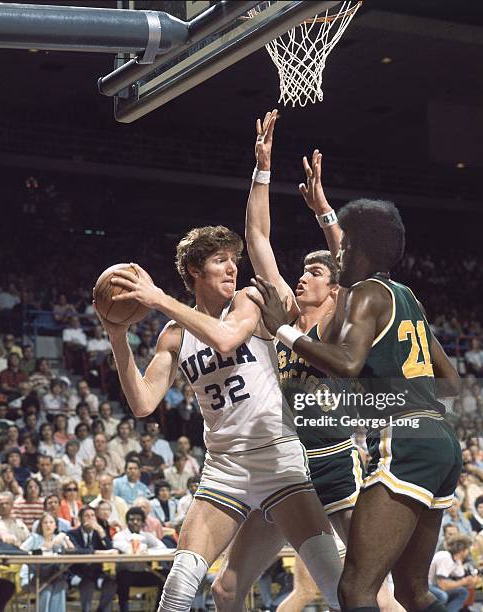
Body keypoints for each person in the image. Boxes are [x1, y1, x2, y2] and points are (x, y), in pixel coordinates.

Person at [101, 222, 344, 609]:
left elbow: (227, 338)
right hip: (224, 467)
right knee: (183, 587)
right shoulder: (174, 335)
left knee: (337, 588)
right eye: (220, 261)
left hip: (277, 457)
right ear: (195, 271)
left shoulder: (248, 299)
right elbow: (143, 403)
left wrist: (159, 298)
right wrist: (117, 337)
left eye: (234, 260)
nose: (232, 268)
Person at [250, 196, 462, 610]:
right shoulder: (407, 297)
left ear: (361, 251)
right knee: (412, 592)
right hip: (440, 442)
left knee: (355, 589)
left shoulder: (366, 293)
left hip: (403, 441)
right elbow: (450, 381)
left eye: (343, 248)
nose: (339, 254)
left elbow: (348, 364)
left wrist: (285, 332)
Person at [113, 506, 167, 612]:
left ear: (142, 522)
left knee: (167, 575)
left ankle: (158, 609)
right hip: (125, 573)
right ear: (127, 521)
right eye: (132, 519)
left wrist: (149, 550)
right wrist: (142, 547)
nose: (135, 522)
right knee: (123, 577)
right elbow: (126, 549)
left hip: (142, 572)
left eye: (138, 520)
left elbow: (162, 547)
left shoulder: (146, 535)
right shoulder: (119, 536)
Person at [67, 506, 117, 612]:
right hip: (78, 573)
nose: (90, 518)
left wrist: (101, 530)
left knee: (112, 583)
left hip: (97, 573)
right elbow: (76, 551)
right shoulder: (72, 534)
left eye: (93, 516)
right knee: (87, 584)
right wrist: (96, 552)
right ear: (80, 519)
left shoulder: (99, 533)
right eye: (87, 516)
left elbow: (110, 550)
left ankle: (101, 610)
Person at [20, 512, 73, 612]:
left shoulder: (58, 538)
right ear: (41, 525)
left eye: (51, 522)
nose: (48, 525)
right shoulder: (34, 538)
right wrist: (34, 553)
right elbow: (21, 551)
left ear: (55, 525)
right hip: (37, 576)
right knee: (46, 588)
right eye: (45, 523)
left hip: (56, 574)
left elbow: (72, 551)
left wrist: (64, 536)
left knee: (60, 585)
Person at [428, 534, 476, 611]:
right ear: (463, 550)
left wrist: (469, 580)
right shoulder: (445, 557)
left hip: (436, 586)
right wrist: (464, 582)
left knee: (463, 592)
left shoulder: (455, 559)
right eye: (468, 549)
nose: (468, 552)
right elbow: (443, 585)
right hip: (427, 586)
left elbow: (461, 575)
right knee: (442, 596)